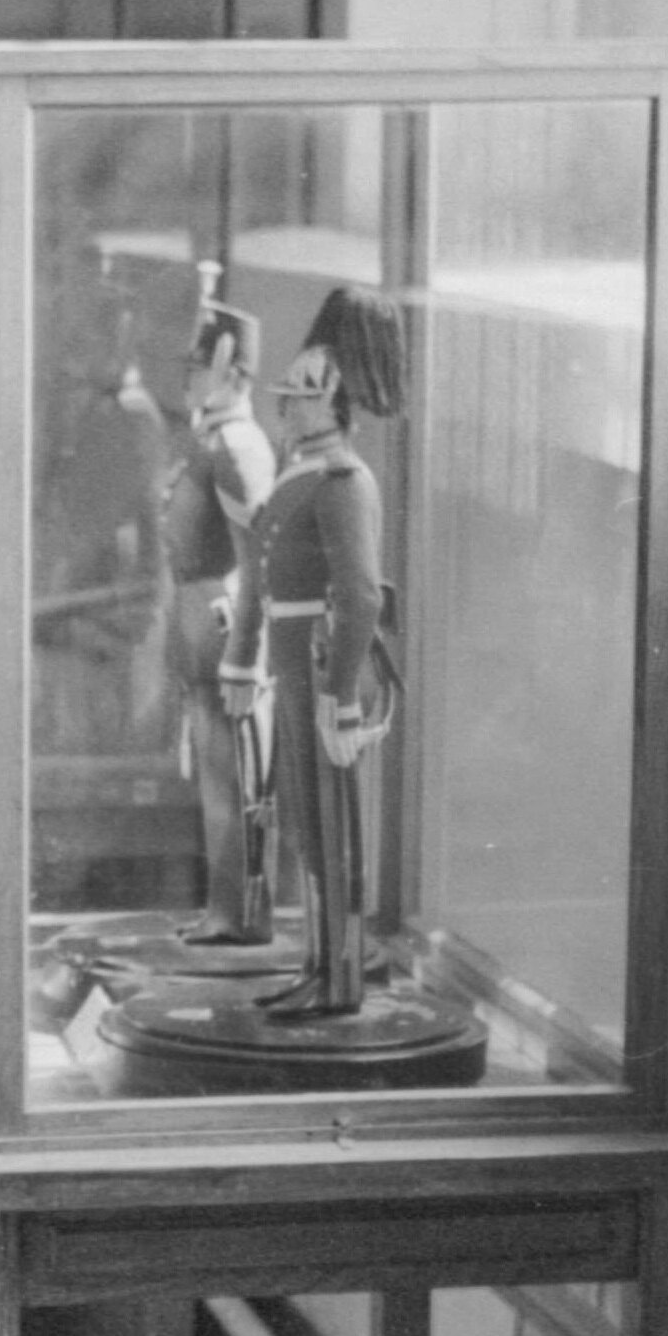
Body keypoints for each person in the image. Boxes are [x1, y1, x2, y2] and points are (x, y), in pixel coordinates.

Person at [228, 286, 408, 1017]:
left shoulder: (342, 481)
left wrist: (338, 700)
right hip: (297, 666)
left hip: (323, 668)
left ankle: (340, 979)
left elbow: (360, 596)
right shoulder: (306, 473)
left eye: (300, 399)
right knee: (307, 820)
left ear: (333, 402)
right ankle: (318, 967)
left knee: (332, 829)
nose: (287, 410)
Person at [160, 269, 279, 943]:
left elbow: (257, 556)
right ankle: (224, 909)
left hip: (223, 626)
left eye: (201, 364)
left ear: (232, 371)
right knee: (214, 778)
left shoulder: (236, 446)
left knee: (233, 782)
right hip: (198, 624)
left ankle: (238, 914)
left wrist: (244, 657)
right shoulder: (211, 439)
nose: (190, 376)